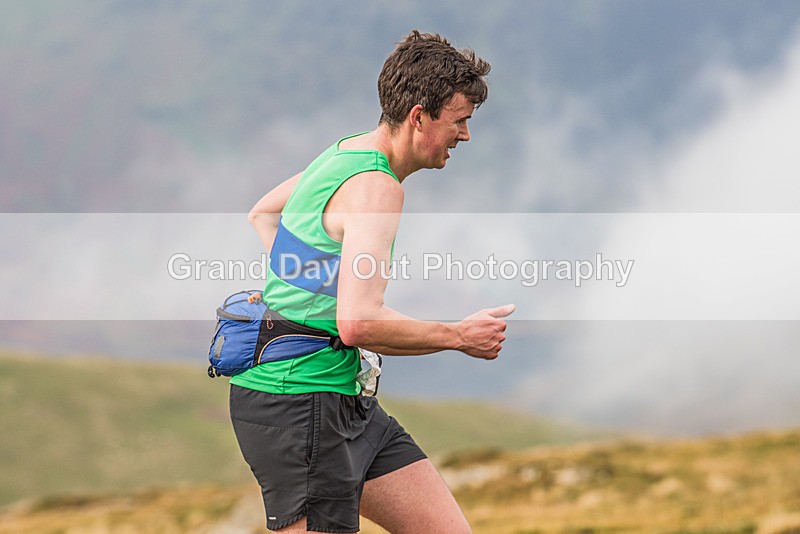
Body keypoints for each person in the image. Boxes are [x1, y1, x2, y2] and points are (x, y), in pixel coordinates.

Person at [230, 30, 515, 534]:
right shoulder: (377, 190)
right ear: (419, 116)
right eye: (460, 121)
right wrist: (457, 337)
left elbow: (263, 214)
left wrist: (311, 289)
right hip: (299, 404)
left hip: (346, 401)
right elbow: (359, 323)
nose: (466, 135)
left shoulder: (343, 153)